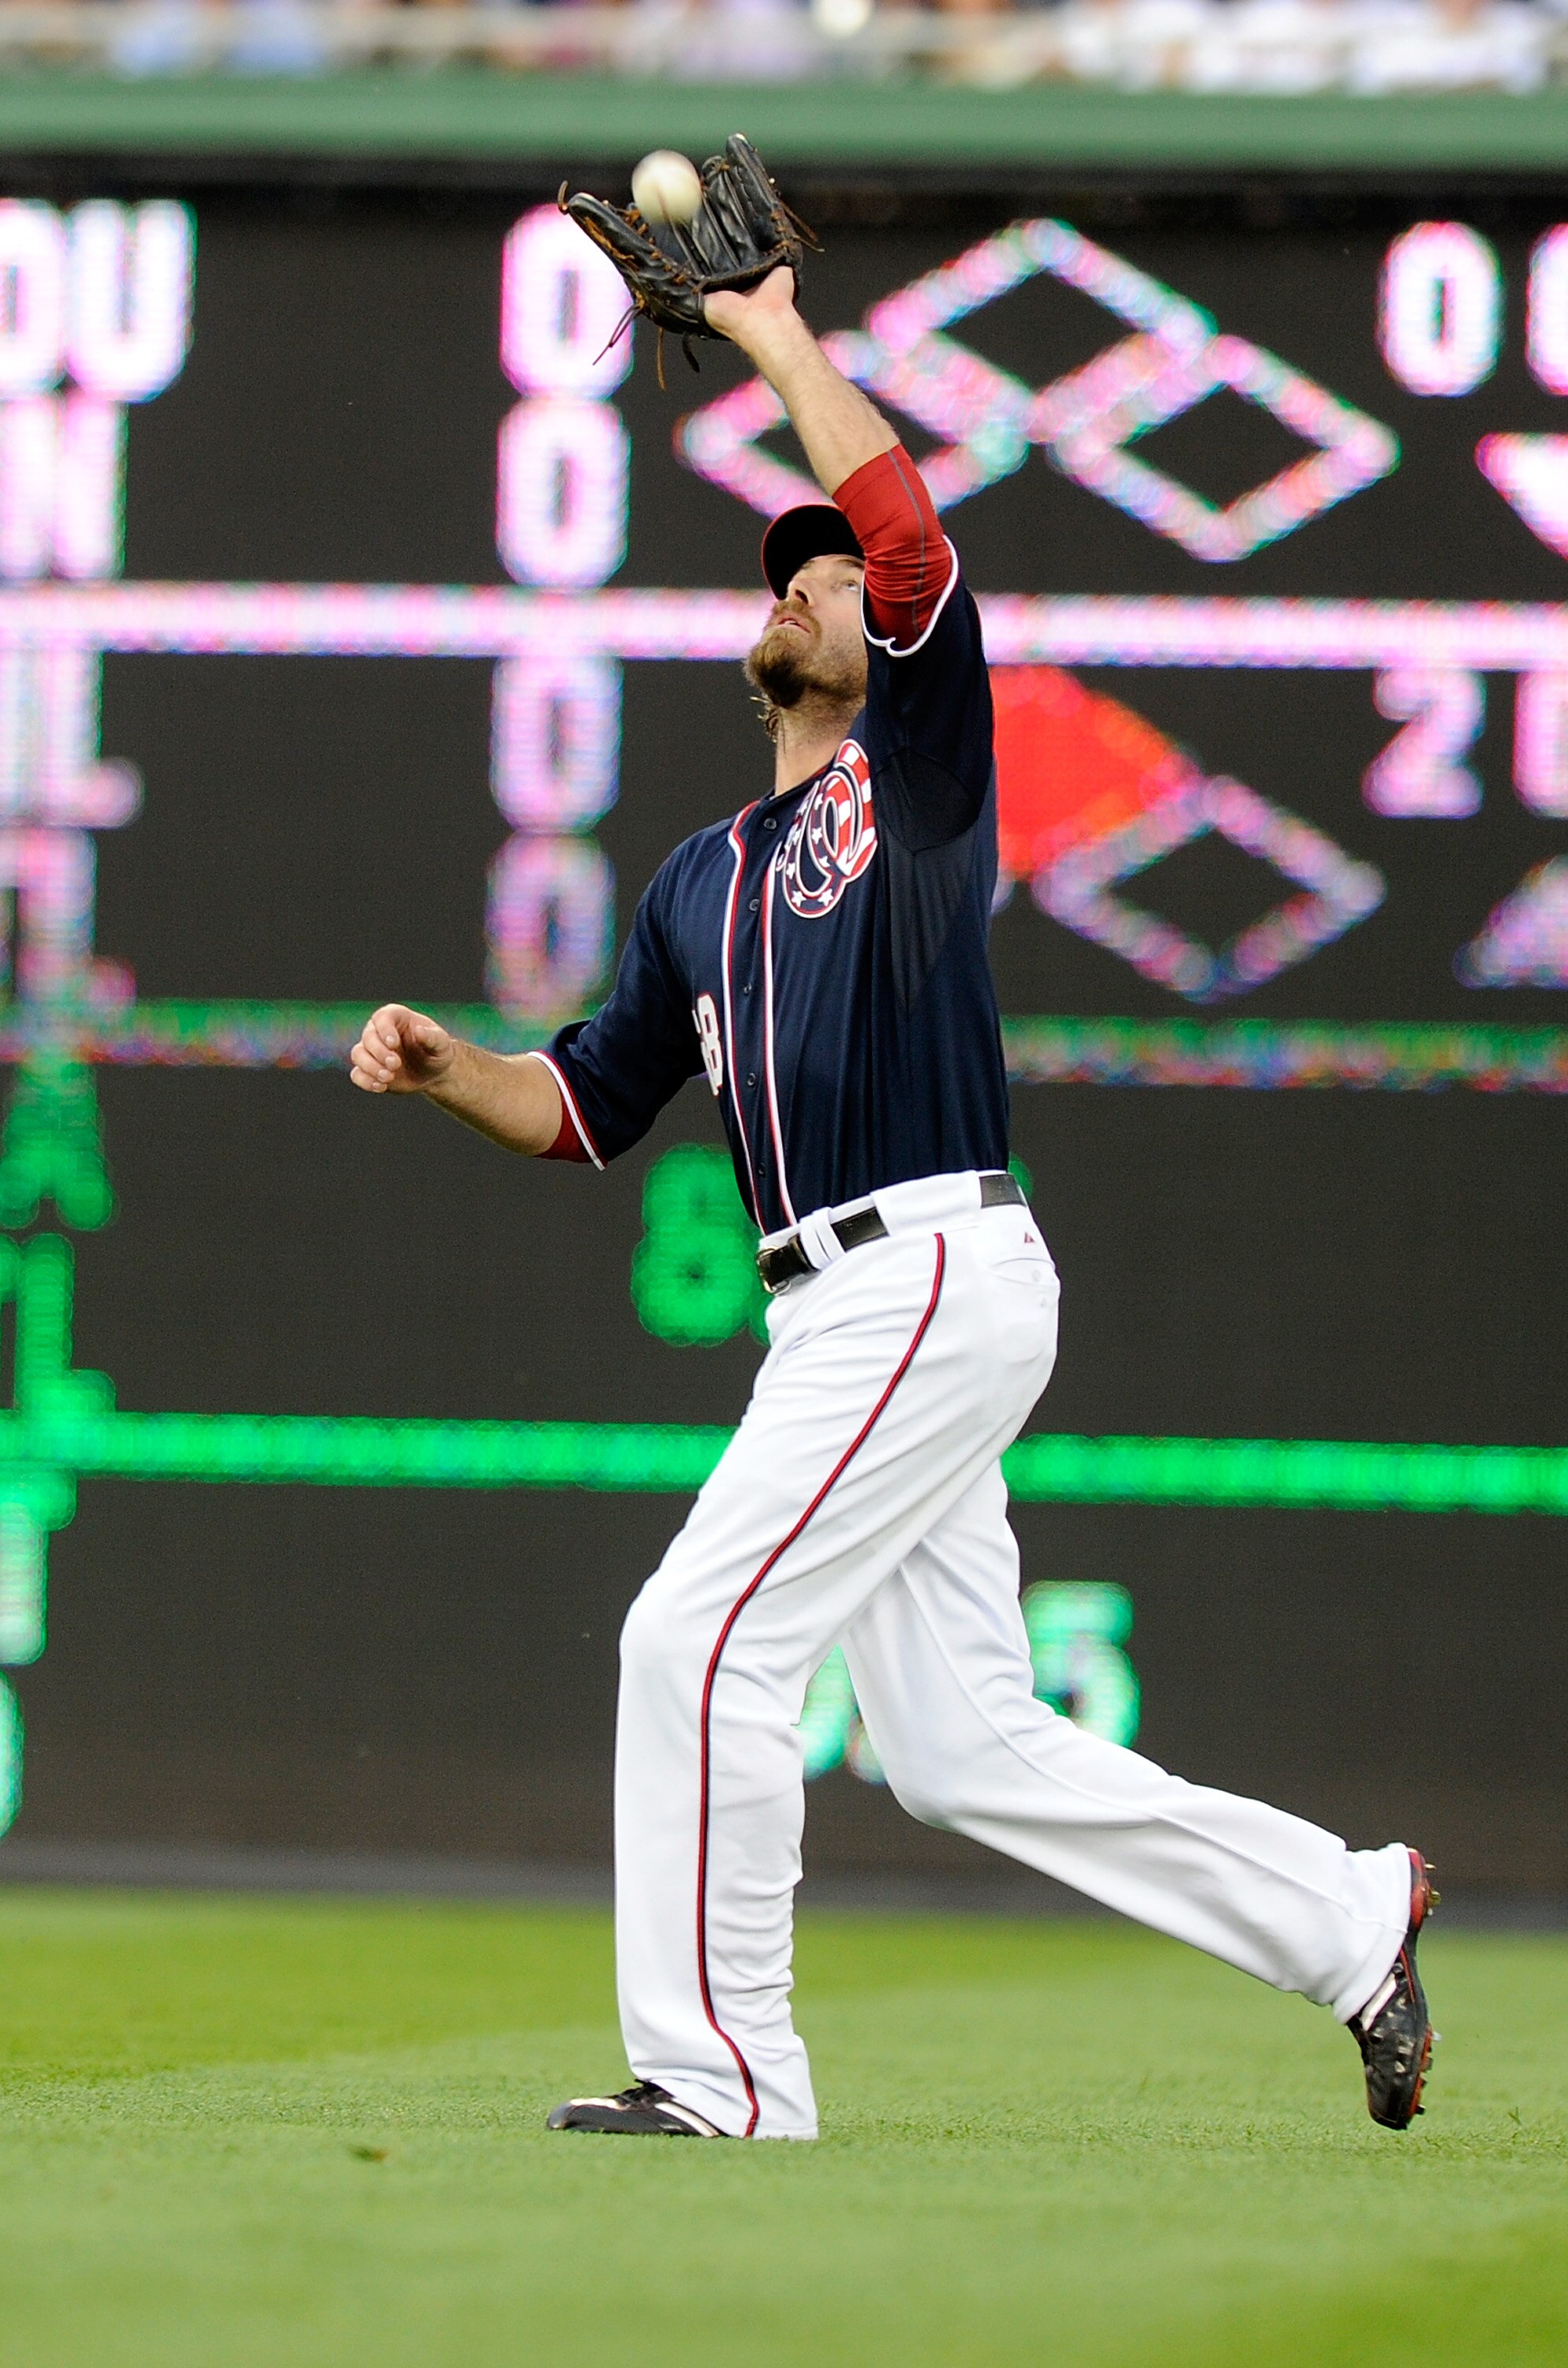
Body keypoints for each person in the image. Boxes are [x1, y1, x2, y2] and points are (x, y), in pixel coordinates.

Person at [349, 263, 1436, 2143]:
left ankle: (726, 2079)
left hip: (926, 1259)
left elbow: (908, 539)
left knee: (693, 1641)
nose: (804, 578)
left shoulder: (920, 776)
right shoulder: (697, 880)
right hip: (840, 1304)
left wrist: (770, 332)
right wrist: (458, 1075)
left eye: (824, 570)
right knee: (955, 1745)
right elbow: (590, 1112)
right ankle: (1349, 1914)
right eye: (785, 569)